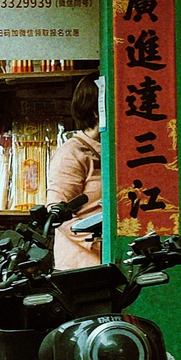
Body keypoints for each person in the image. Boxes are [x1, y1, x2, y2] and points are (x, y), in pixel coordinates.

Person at [47, 79, 104, 269]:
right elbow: (57, 211)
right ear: (96, 110)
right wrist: (96, 242)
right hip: (83, 262)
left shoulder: (113, 148)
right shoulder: (72, 153)